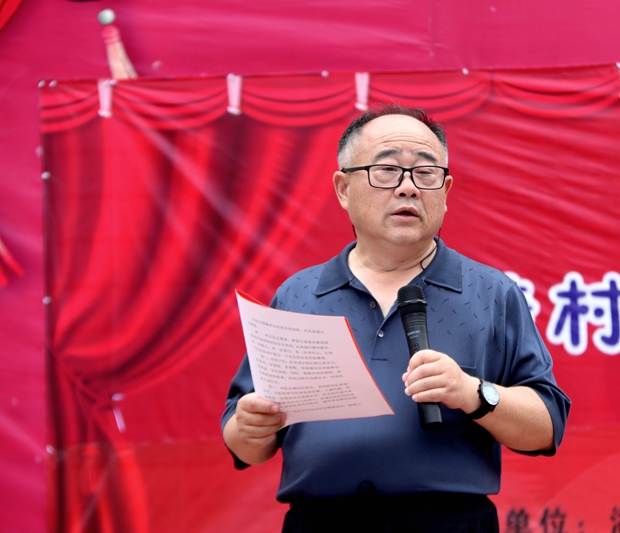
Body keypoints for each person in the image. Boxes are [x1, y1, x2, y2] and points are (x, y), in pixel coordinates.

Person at [222, 104, 570, 532]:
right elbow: (246, 443)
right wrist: (249, 427)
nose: (408, 188)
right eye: (386, 171)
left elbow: (547, 426)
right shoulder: (298, 295)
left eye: (425, 173)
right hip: (321, 523)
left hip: (448, 524)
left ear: (446, 191)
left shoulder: (491, 292)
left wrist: (472, 392)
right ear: (343, 188)